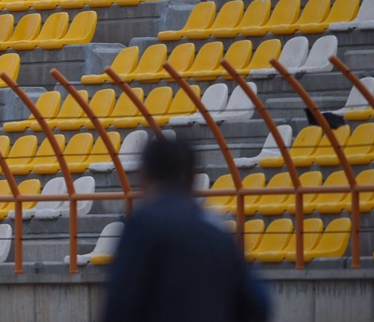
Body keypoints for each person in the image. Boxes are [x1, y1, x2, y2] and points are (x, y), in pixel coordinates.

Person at [102, 138, 271, 322]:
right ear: (192, 178)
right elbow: (258, 304)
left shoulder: (141, 226)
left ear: (143, 177)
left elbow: (119, 304)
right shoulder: (219, 229)